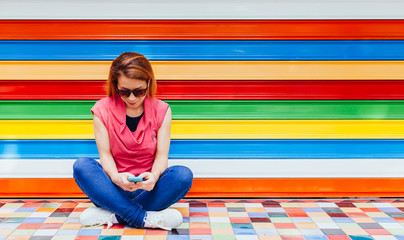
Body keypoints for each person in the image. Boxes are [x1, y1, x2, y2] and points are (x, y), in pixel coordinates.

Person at [73, 52, 193, 231]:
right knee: (82, 166)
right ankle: (143, 218)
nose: (131, 98)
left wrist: (154, 176)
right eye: (124, 92)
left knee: (183, 175)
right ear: (115, 86)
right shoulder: (101, 110)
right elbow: (105, 156)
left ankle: (114, 215)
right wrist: (115, 177)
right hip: (113, 190)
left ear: (148, 84)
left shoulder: (162, 110)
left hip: (149, 189)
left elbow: (161, 156)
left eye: (139, 91)